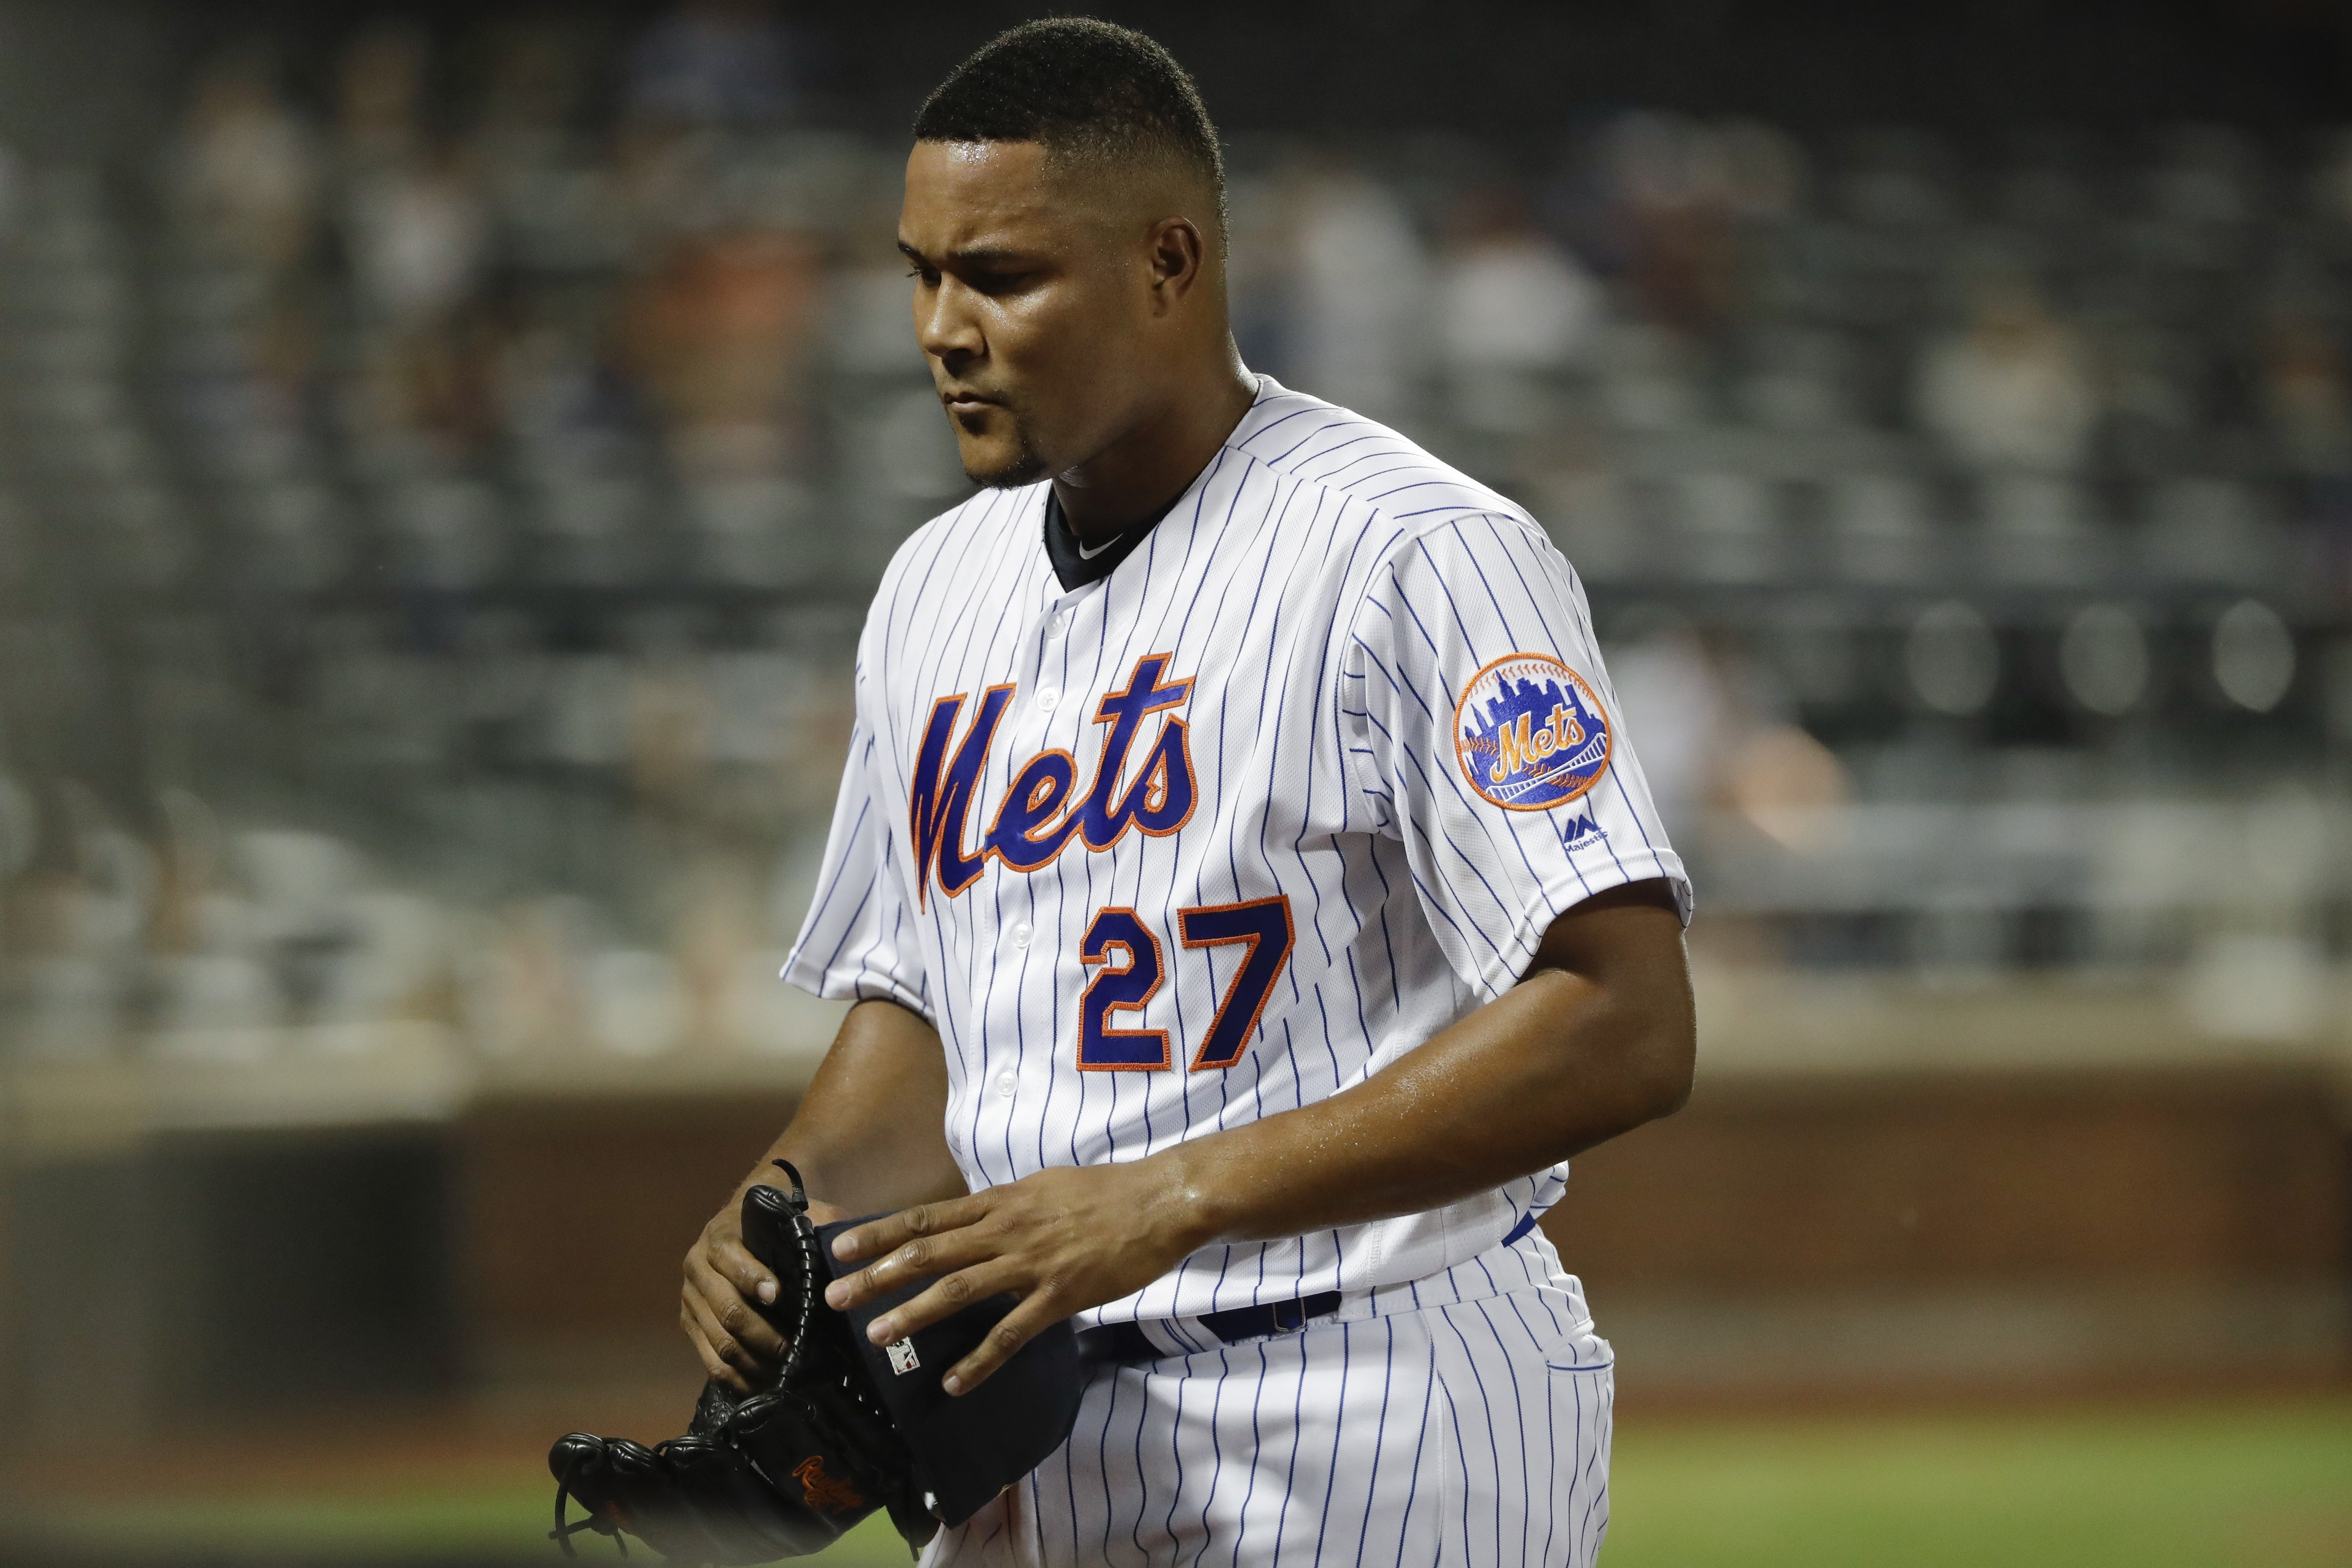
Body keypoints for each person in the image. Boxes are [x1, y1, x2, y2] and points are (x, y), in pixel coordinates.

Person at [679, 20, 1696, 1565]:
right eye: (921, 272)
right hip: (1025, 1436)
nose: (942, 326)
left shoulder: (1414, 553)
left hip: (1367, 1397)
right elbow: (920, 1021)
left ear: (1170, 263)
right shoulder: (933, 589)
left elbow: (1626, 1014)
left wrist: (1170, 1196)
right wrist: (778, 1210)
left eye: (1001, 275)